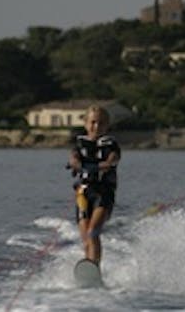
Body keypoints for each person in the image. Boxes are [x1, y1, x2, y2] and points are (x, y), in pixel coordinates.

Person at [68, 105, 121, 265]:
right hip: (83, 194)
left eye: (101, 123)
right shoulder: (79, 144)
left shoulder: (111, 145)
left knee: (93, 232)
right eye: (93, 122)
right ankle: (88, 266)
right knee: (85, 239)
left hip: (103, 194)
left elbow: (113, 159)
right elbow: (74, 159)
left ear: (107, 125)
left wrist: (105, 165)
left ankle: (95, 265)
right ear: (85, 123)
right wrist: (76, 163)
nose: (96, 126)